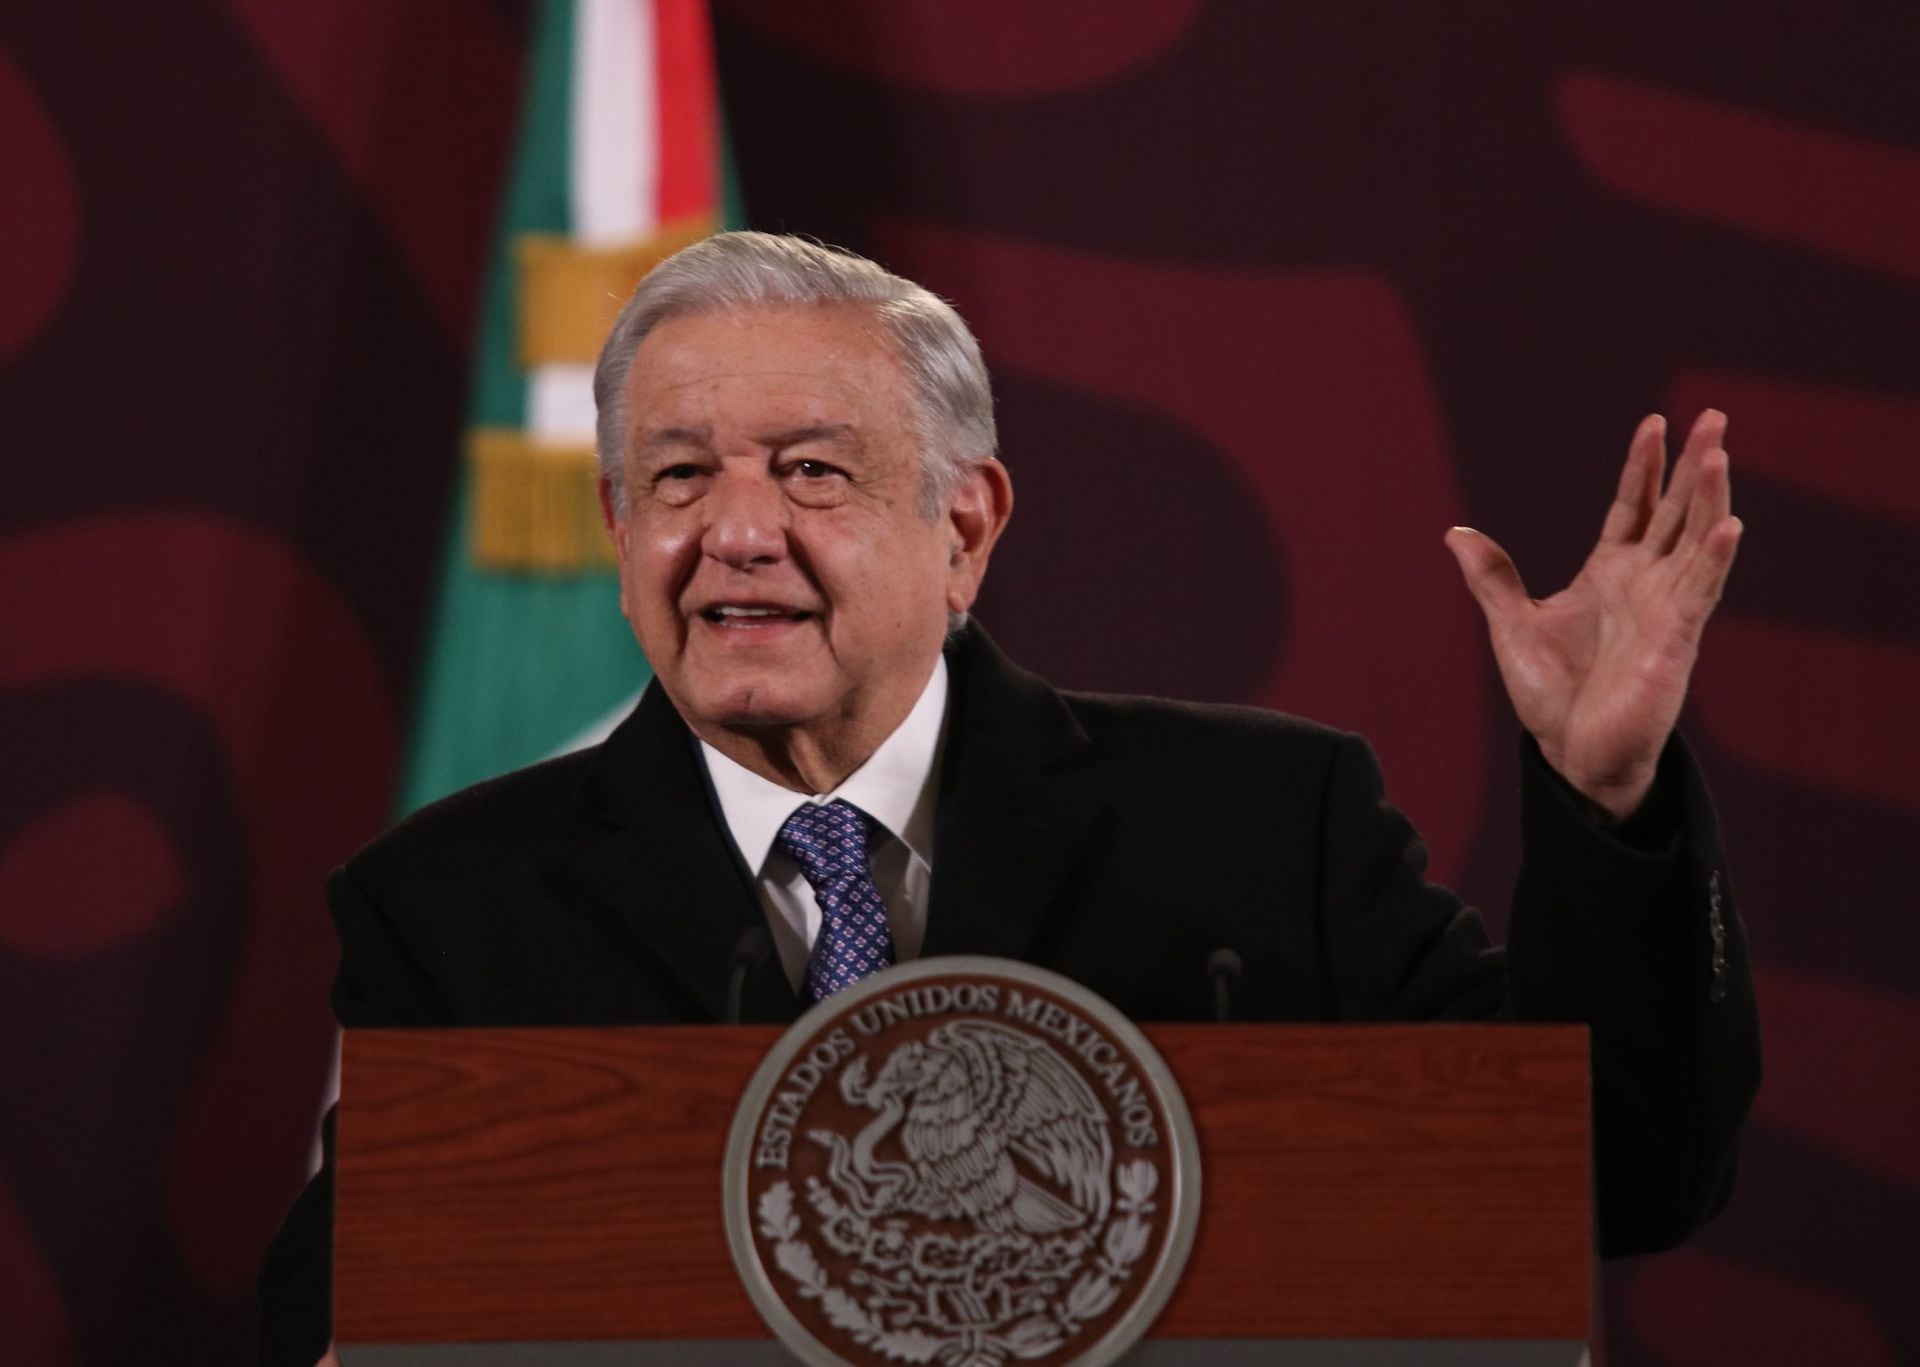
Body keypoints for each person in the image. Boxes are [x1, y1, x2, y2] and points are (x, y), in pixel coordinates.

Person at [259, 232, 1759, 1366]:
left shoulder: (1259, 828)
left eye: (808, 470)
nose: (734, 533)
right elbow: (339, 1320)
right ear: (614, 524)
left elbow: (1596, 1179)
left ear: (964, 525)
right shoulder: (454, 908)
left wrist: (1605, 798)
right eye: (675, 477)